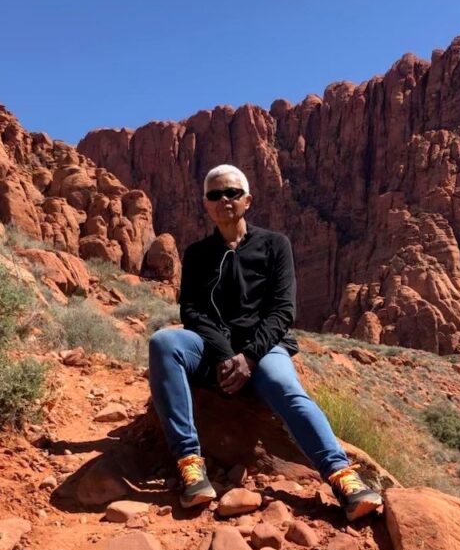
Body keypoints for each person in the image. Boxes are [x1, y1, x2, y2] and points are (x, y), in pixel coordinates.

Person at [148, 164, 384, 520]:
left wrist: (249, 357)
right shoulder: (197, 254)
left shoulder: (275, 245)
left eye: (232, 193)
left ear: (248, 200)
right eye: (215, 194)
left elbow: (282, 310)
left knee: (282, 384)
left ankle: (344, 479)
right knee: (164, 342)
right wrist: (225, 354)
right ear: (206, 204)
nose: (224, 200)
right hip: (213, 349)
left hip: (263, 348)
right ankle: (191, 467)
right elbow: (193, 312)